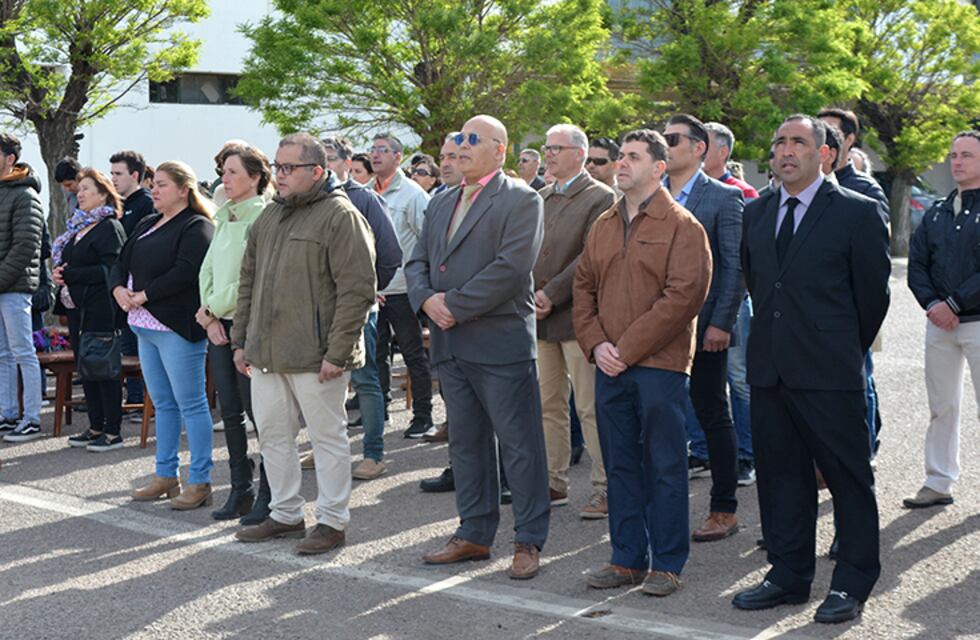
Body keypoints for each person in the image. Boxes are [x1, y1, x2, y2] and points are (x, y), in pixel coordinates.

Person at [733, 115, 889, 624]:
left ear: (824, 153)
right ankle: (788, 574)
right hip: (770, 370)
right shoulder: (756, 214)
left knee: (847, 478)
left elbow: (872, 298)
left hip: (829, 370)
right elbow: (760, 284)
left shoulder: (857, 212)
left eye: (798, 142)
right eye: (779, 142)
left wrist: (836, 345)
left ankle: (851, 582)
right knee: (781, 478)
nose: (785, 151)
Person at [407, 116, 549, 580]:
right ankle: (473, 533)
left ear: (500, 150)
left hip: (497, 340)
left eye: (473, 140)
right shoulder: (442, 200)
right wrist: (427, 299)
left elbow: (511, 267)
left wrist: (454, 306)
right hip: (452, 340)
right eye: (459, 139)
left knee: (519, 446)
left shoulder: (521, 199)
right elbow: (418, 260)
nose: (461, 147)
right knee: (466, 445)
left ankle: (528, 540)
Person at [575, 129, 712, 597]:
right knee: (620, 465)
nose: (622, 164)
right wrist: (596, 345)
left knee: (665, 465)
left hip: (659, 367)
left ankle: (667, 563)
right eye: (621, 157)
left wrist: (624, 350)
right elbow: (582, 290)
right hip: (609, 364)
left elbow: (683, 298)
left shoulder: (683, 226)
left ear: (658, 167)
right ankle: (626, 559)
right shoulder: (604, 224)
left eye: (634, 157)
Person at [232, 133, 376, 555]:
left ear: (317, 171)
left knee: (327, 437)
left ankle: (332, 521)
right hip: (266, 352)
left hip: (317, 355)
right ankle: (286, 513)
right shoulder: (269, 217)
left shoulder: (340, 215)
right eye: (277, 166)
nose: (280, 175)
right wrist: (241, 340)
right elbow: (248, 283)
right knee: (274, 435)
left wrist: (338, 352)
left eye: (289, 167)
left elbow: (357, 290)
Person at [111, 161, 216, 509]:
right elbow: (120, 261)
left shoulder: (196, 226)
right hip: (144, 327)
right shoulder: (147, 222)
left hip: (175, 327)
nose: (154, 190)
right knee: (164, 404)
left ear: (184, 189)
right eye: (154, 184)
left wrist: (145, 294)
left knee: (192, 403)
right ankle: (165, 475)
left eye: (163, 185)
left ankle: (200, 481)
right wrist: (117, 289)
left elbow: (186, 272)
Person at [664, 114, 745, 542]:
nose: (666, 144)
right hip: (654, 330)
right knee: (662, 415)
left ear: (700, 147)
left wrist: (721, 324)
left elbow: (734, 266)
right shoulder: (649, 194)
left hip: (704, 329)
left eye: (673, 139)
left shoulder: (724, 199)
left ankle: (724, 507)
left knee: (712, 412)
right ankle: (664, 502)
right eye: (663, 138)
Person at [535, 124, 615, 518]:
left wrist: (551, 293)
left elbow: (591, 256)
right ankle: (553, 482)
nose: (548, 154)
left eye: (557, 148)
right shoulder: (542, 197)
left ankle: (606, 486)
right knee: (548, 403)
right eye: (546, 148)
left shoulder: (601, 198)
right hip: (540, 319)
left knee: (589, 406)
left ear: (580, 154)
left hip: (578, 317)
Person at [317, 135, 402, 480]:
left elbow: (391, 253)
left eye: (329, 158)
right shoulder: (306, 201)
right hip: (318, 309)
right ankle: (324, 448)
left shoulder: (363, 198)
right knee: (320, 383)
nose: (324, 164)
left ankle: (373, 453)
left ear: (347, 162)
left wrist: (368, 290)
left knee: (366, 381)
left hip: (357, 309)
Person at [196, 144, 272, 521]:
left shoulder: (263, 216)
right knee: (229, 411)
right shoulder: (225, 215)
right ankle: (241, 488)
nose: (223, 179)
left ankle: (271, 493)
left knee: (260, 412)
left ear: (255, 177)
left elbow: (249, 276)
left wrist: (214, 309)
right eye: (222, 172)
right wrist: (208, 316)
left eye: (232, 172)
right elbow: (206, 269)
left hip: (248, 324)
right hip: (218, 323)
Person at [905, 130, 980, 509]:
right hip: (940, 324)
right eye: (953, 155)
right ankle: (938, 481)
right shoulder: (935, 211)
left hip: (977, 321)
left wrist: (953, 302)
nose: (957, 162)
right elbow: (917, 264)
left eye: (966, 155)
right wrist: (934, 303)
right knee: (942, 405)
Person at [53, 169, 127, 451]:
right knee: (86, 369)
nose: (79, 193)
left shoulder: (109, 226)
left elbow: (110, 270)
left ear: (104, 194)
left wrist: (72, 275)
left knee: (103, 369)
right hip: (77, 308)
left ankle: (112, 431)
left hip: (101, 308)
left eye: (86, 189)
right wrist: (61, 274)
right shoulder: (78, 226)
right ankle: (95, 425)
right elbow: (72, 264)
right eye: (79, 189)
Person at [370, 133, 435, 438]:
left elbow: (428, 244)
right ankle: (379, 411)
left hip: (404, 290)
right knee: (375, 353)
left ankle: (423, 415)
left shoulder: (413, 195)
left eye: (383, 150)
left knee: (413, 355)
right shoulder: (368, 193)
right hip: (374, 290)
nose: (375, 155)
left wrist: (422, 288)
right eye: (372, 150)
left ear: (399, 157)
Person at [0, 133, 45, 442]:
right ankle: (6, 413)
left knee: (22, 352)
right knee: (2, 354)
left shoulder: (25, 195)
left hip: (15, 287)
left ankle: (31, 418)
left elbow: (27, 244)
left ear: (9, 158)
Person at [110, 150, 155, 414]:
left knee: (140, 348)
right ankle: (135, 398)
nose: (113, 179)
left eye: (118, 173)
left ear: (135, 175)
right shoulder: (118, 204)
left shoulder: (145, 203)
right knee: (127, 346)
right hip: (122, 289)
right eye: (112, 173)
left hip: (140, 290)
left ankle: (143, 403)